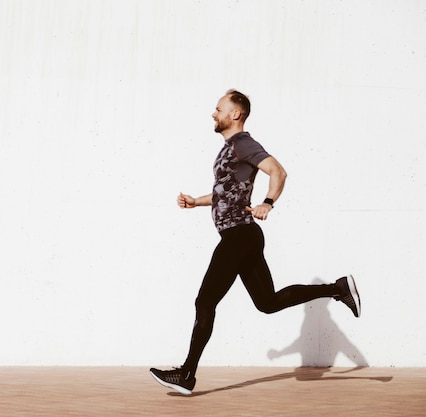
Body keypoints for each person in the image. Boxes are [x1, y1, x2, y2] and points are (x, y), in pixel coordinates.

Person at [149, 89, 361, 395]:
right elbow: (226, 192)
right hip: (242, 236)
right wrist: (197, 202)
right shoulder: (229, 149)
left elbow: (278, 171)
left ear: (235, 114)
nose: (214, 113)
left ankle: (187, 375)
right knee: (268, 302)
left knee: (205, 301)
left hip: (239, 235)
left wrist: (268, 202)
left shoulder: (244, 143)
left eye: (219, 109)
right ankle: (337, 288)